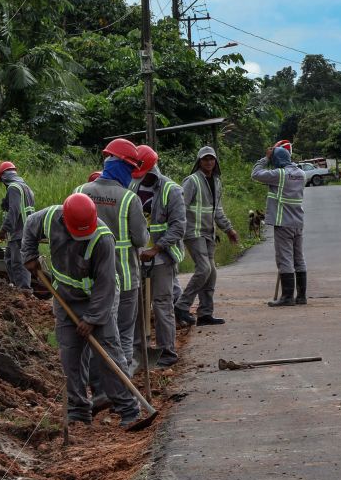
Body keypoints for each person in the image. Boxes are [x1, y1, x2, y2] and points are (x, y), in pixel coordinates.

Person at [22, 193, 150, 431]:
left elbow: (105, 285)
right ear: (66, 221)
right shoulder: (50, 217)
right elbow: (29, 225)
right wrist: (28, 255)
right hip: (65, 297)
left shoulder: (103, 238)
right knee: (70, 355)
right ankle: (79, 411)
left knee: (108, 353)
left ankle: (129, 409)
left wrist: (92, 318)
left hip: (99, 300)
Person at [76, 138, 148, 374]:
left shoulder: (81, 192)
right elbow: (141, 239)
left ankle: (98, 384)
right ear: (122, 167)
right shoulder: (129, 198)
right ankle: (123, 384)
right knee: (124, 334)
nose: (131, 175)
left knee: (95, 335)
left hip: (89, 281)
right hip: (124, 278)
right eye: (130, 169)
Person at [131, 145, 186, 368]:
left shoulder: (172, 190)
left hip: (162, 258)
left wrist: (156, 248)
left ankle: (167, 352)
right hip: (138, 257)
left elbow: (178, 226)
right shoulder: (133, 186)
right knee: (138, 305)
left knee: (162, 304)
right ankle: (139, 352)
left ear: (152, 169)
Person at [176, 145, 238, 326]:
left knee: (211, 273)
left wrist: (229, 229)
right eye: (205, 159)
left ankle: (205, 314)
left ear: (215, 161)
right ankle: (181, 306)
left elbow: (217, 210)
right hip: (193, 232)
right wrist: (177, 231)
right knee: (204, 269)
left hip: (209, 232)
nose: (209, 162)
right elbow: (180, 207)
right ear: (199, 161)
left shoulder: (216, 181)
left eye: (211, 159)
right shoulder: (192, 181)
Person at [251, 142, 307, 307]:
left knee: (285, 259)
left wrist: (266, 158)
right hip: (298, 222)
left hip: (283, 222)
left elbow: (255, 174)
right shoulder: (302, 174)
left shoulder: (279, 174)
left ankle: (287, 297)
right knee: (299, 258)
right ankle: (301, 296)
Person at [0, 160, 35, 290]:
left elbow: (14, 211)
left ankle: (24, 291)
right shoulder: (25, 187)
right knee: (8, 258)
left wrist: (4, 230)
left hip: (20, 232)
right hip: (25, 230)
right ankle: (15, 289)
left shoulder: (13, 188)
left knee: (19, 263)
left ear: (3, 177)